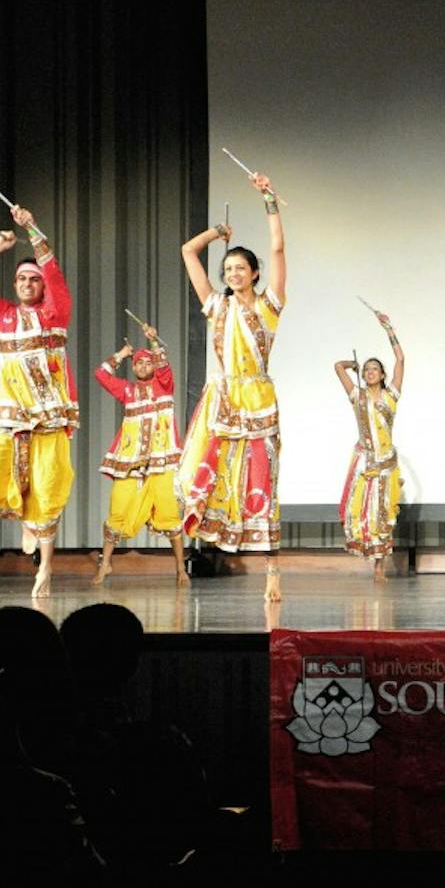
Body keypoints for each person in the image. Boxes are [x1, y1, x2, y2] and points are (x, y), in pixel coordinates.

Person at [177, 171, 286, 601]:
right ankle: (215, 535)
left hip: (259, 400)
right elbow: (188, 252)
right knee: (210, 476)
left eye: (241, 267)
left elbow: (277, 248)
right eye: (228, 269)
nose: (233, 273)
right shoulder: (216, 306)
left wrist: (269, 199)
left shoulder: (269, 305)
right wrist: (216, 233)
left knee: (263, 481)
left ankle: (272, 571)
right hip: (223, 400)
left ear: (255, 273)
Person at [0, 204, 76, 599]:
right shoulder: (3, 315)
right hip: (6, 415)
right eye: (22, 278)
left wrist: (32, 229)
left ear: (43, 287)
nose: (28, 283)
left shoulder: (56, 313)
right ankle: (25, 517)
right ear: (14, 285)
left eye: (34, 279)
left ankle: (45, 566)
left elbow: (53, 271)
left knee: (48, 486)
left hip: (47, 415)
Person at [91, 321, 188, 588]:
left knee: (169, 513)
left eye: (148, 363)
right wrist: (122, 355)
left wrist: (154, 341)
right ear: (133, 368)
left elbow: (164, 366)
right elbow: (101, 374)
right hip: (131, 463)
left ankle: (180, 568)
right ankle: (105, 564)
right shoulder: (128, 391)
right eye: (139, 363)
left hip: (161, 464)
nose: (144, 366)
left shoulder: (164, 386)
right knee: (117, 510)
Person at [334, 312, 405, 582]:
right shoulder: (358, 396)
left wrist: (389, 330)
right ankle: (369, 557)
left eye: (374, 368)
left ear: (383, 374)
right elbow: (337, 367)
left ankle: (379, 568)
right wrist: (351, 364)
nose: (369, 372)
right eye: (366, 370)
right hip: (365, 463)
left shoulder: (391, 395)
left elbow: (400, 360)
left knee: (383, 515)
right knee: (364, 513)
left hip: (386, 464)